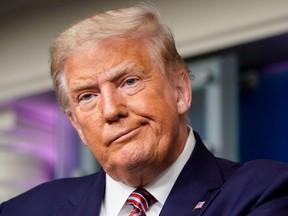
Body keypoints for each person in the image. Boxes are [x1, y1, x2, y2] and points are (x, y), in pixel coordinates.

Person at [1, 3, 288, 216]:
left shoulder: (263, 191)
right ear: (76, 125)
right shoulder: (23, 210)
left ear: (180, 92)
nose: (111, 110)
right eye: (87, 96)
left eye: (129, 81)